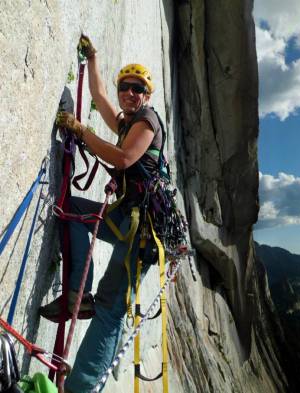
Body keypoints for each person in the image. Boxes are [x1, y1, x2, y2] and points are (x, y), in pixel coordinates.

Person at [39, 35, 165, 392]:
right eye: (125, 87)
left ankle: (81, 387)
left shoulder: (147, 122)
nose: (129, 93)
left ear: (147, 95)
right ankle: (79, 294)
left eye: (137, 88)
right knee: (75, 209)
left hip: (142, 232)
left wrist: (82, 130)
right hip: (126, 218)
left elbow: (124, 158)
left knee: (112, 308)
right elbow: (98, 96)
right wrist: (92, 57)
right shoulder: (126, 123)